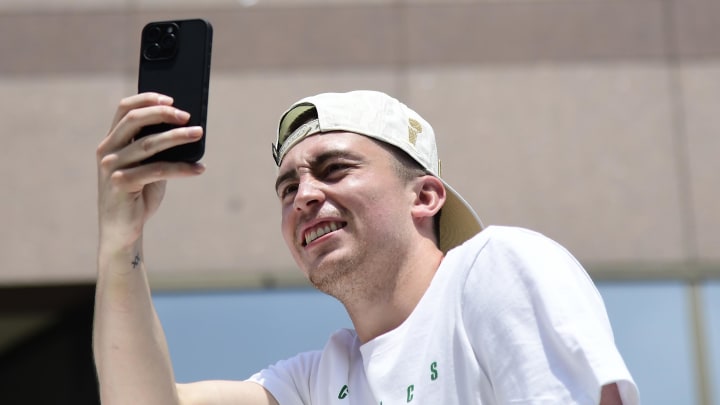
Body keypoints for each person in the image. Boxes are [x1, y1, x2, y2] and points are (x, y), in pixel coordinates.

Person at [94, 90, 639, 404]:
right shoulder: (320, 378)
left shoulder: (494, 267)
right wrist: (123, 242)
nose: (304, 195)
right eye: (288, 188)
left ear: (424, 196)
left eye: (334, 169)